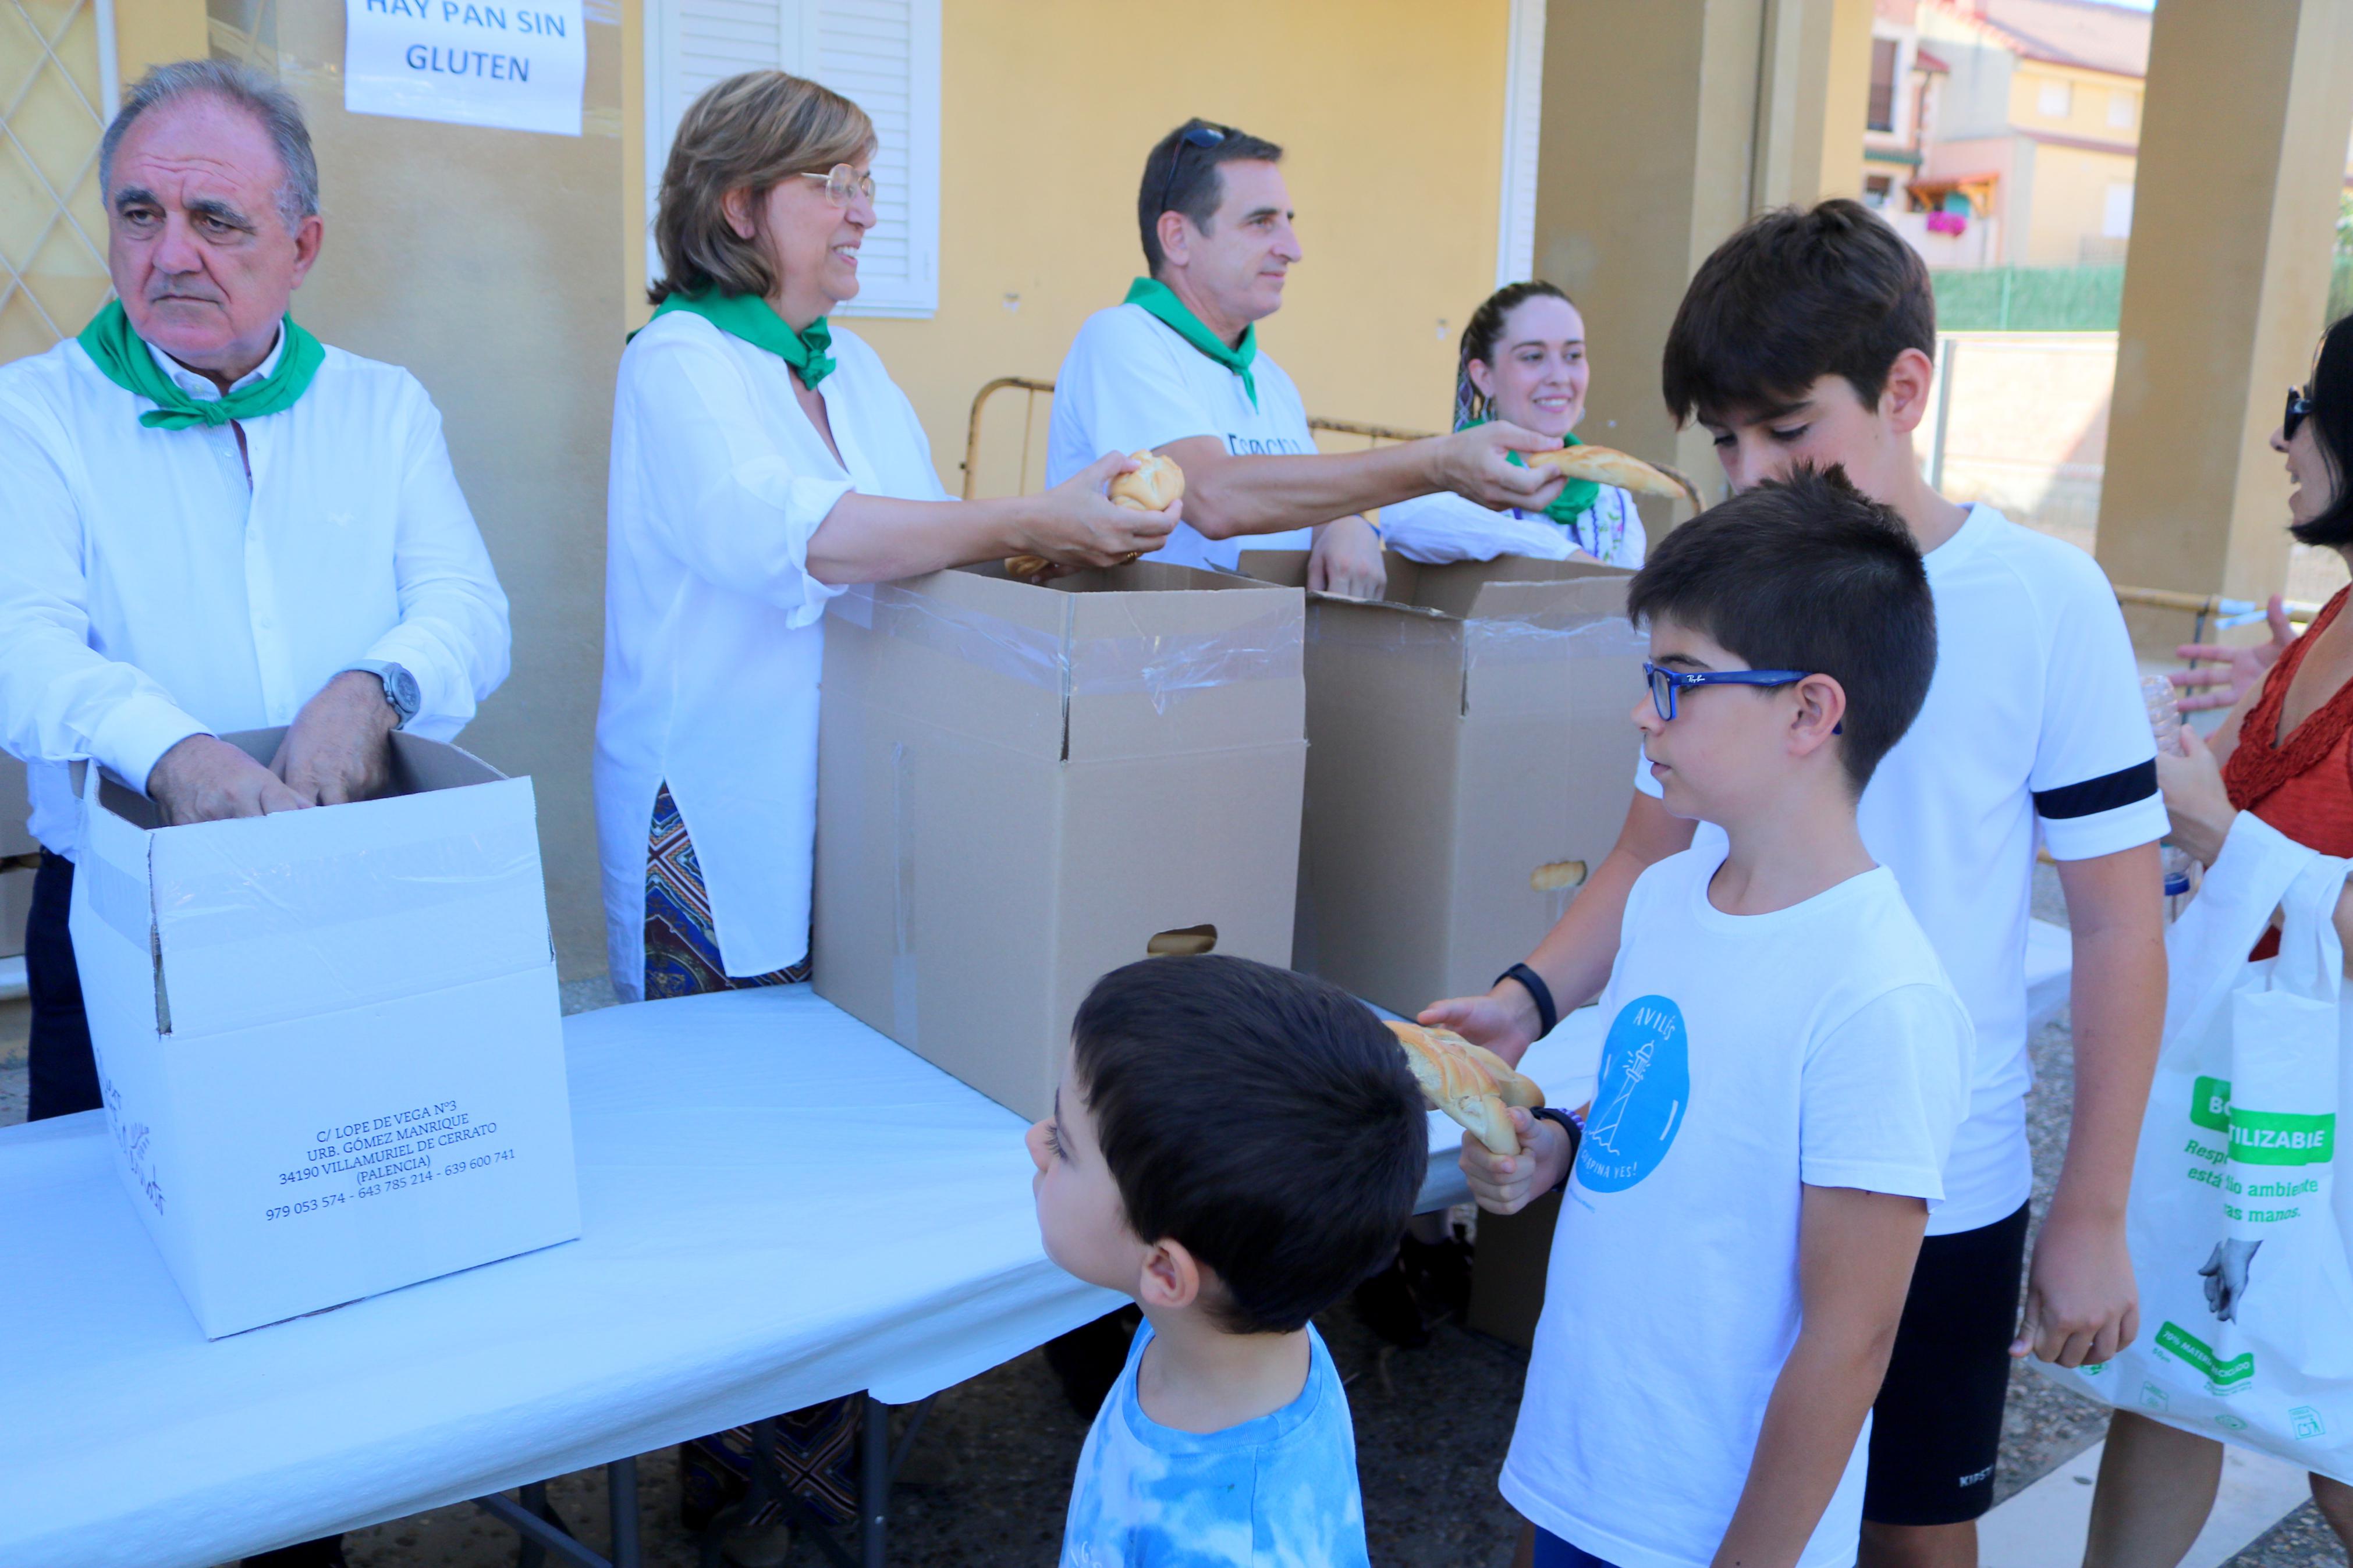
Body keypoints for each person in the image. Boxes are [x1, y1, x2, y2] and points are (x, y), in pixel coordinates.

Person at [1422, 200, 2169, 1568]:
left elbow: (2121, 919)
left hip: (1933, 1175)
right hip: (1717, 1160)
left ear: (1903, 388)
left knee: (1910, 1531)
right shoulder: (1723, 613)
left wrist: (2092, 1206)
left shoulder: (2045, 599)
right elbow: (1648, 854)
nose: (1752, 470)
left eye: (1785, 429)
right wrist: (1526, 1003)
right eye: (1722, 439)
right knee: (1715, 1488)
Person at [593, 69, 1169, 1563]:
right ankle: (733, 1496)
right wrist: (1027, 516)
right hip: (710, 827)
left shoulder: (845, 370)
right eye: (834, 183)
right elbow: (806, 538)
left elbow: (924, 548)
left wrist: (1061, 540)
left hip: (846, 811)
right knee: (726, 1159)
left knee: (825, 1148)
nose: (864, 209)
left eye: (865, 179)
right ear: (740, 208)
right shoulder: (679, 364)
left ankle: (822, 1472)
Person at [0, 59, 512, 1568]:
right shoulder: (35, 413)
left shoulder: (382, 407)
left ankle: (306, 1532)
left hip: (345, 915)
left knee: (322, 1270)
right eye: (141, 213)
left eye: (218, 219)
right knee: (124, 1304)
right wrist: (169, 748)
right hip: (127, 928)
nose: (171, 254)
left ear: (304, 241)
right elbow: (22, 644)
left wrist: (377, 683)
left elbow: (470, 608)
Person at [1464, 466, 1969, 1568]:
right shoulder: (1664, 895)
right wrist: (1553, 1144)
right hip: (1579, 1475)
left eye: (1678, 680)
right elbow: (1661, 1115)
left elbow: (1850, 1340)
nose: (1642, 712)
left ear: (1809, 710)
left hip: (1709, 1532)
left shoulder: (1878, 993)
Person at [2078, 318, 2353, 1567]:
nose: (2280, 434)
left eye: (2301, 403)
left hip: (2325, 1112)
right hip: (2243, 1080)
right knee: (2165, 1375)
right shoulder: (2328, 615)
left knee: (2335, 1431)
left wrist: (2220, 831)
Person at [1044, 118, 1568, 600]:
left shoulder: (1271, 380)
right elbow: (1213, 497)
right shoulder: (1121, 338)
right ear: (1177, 237)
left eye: (1288, 222)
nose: (1292, 248)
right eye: (1261, 223)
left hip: (1251, 681)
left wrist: (1349, 520)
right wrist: (1436, 461)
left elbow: (1292, 494)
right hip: (1132, 683)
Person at [1027, 954, 1427, 1567]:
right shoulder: (1236, 1322)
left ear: (1165, 1272)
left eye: (1064, 1146)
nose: (1035, 1139)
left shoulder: (1232, 1544)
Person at [1380, 281, 1647, 568]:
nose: (1559, 377)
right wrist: (1559, 554)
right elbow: (1401, 519)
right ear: (1484, 377)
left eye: (1573, 356)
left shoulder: (1612, 499)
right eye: (1533, 357)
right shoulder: (1455, 471)